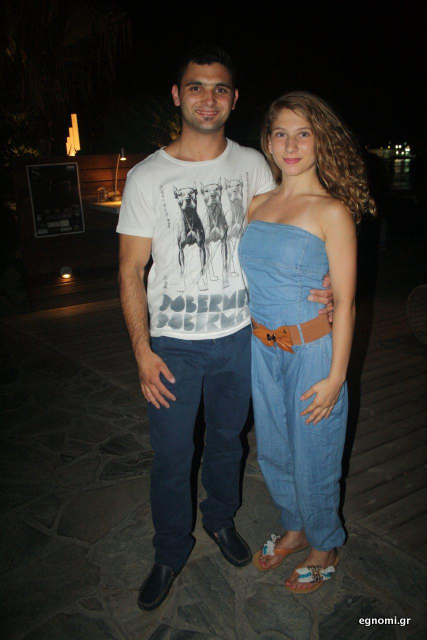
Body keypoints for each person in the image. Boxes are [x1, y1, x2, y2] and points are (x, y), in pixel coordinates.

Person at [117, 49, 333, 611]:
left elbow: (297, 222)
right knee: (171, 454)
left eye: (219, 89)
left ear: (234, 99)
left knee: (227, 440)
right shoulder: (146, 176)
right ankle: (169, 550)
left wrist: (330, 280)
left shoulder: (255, 166)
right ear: (177, 94)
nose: (207, 98)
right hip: (173, 345)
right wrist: (141, 350)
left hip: (243, 337)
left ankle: (220, 519)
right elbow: (130, 269)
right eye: (196, 87)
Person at [239, 91, 376, 593]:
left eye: (303, 133)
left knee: (315, 452)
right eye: (281, 133)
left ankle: (325, 543)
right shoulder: (257, 204)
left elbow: (347, 303)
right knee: (273, 449)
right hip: (261, 347)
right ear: (268, 142)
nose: (291, 145)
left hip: (312, 352)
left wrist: (336, 377)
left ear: (321, 142)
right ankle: (295, 528)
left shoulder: (331, 211)